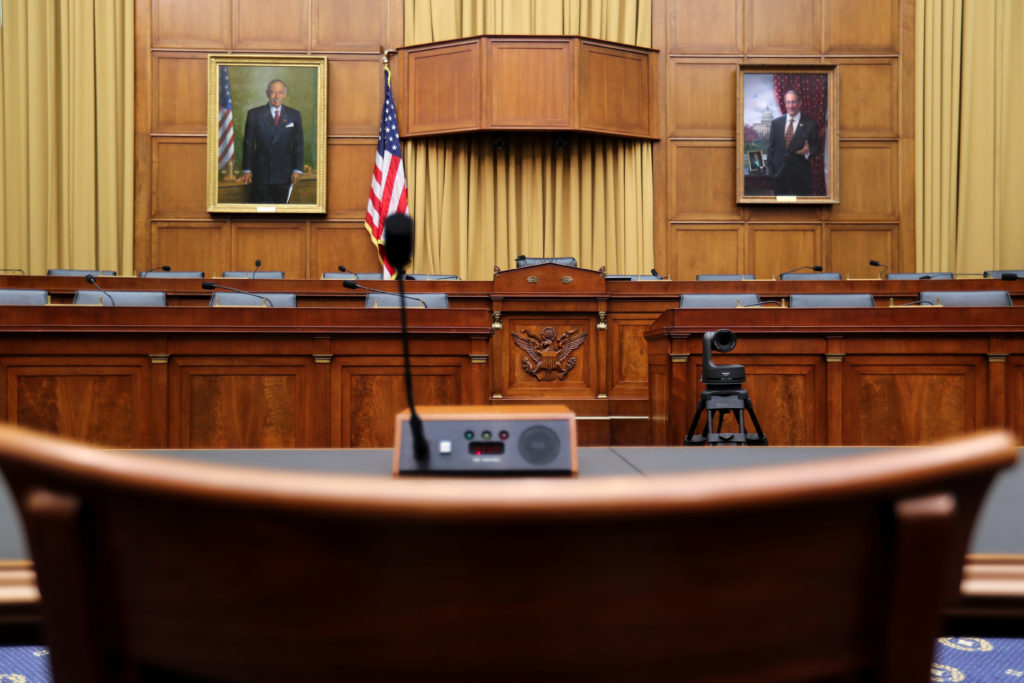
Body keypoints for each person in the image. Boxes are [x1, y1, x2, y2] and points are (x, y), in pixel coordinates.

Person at [238, 79, 303, 203]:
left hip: (285, 174)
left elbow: (298, 144)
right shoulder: (254, 114)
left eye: (280, 92)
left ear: (285, 94)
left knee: (282, 215)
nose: (277, 96)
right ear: (267, 93)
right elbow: (249, 143)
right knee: (260, 213)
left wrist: (297, 169)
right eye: (273, 92)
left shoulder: (294, 115)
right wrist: (247, 170)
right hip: (261, 173)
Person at [765, 89, 821, 196]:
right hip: (779, 178)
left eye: (794, 102)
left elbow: (817, 148)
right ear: (785, 104)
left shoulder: (810, 124)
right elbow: (771, 149)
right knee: (782, 210)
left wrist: (808, 151)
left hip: (800, 178)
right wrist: (772, 172)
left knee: (799, 211)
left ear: (800, 103)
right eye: (788, 102)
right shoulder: (776, 123)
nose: (791, 106)